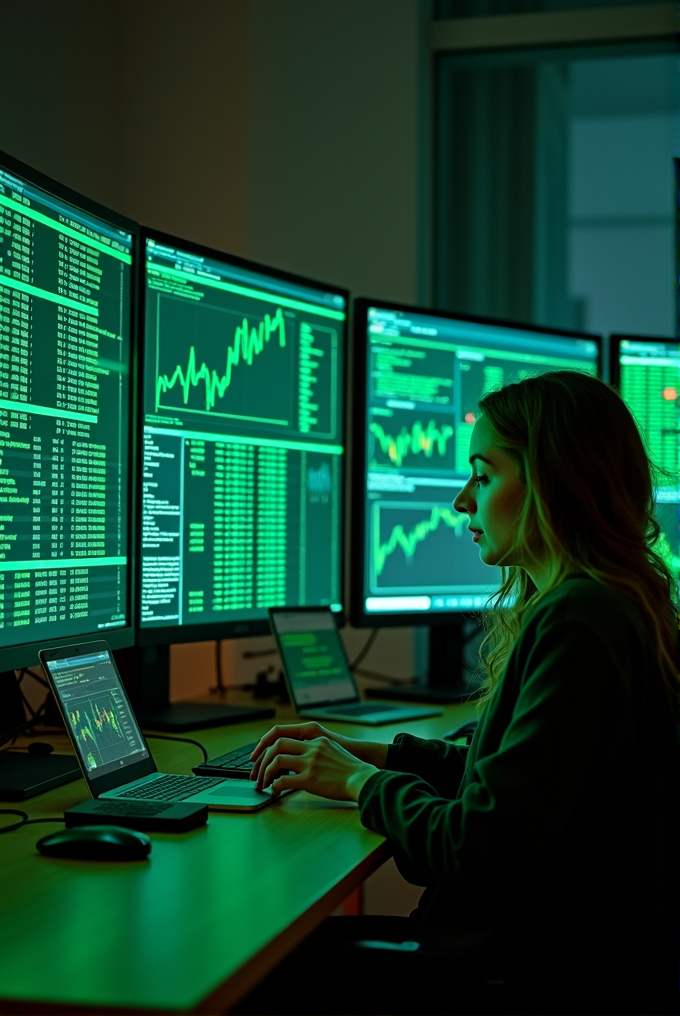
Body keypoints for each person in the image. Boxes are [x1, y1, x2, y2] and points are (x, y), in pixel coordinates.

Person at [239, 371, 680, 1016]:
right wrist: (364, 754)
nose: (460, 501)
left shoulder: (581, 620)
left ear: (553, 484)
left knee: (255, 973)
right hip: (556, 951)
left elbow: (477, 847)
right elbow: (514, 783)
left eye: (483, 473)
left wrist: (361, 786)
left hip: (530, 971)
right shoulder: (609, 604)